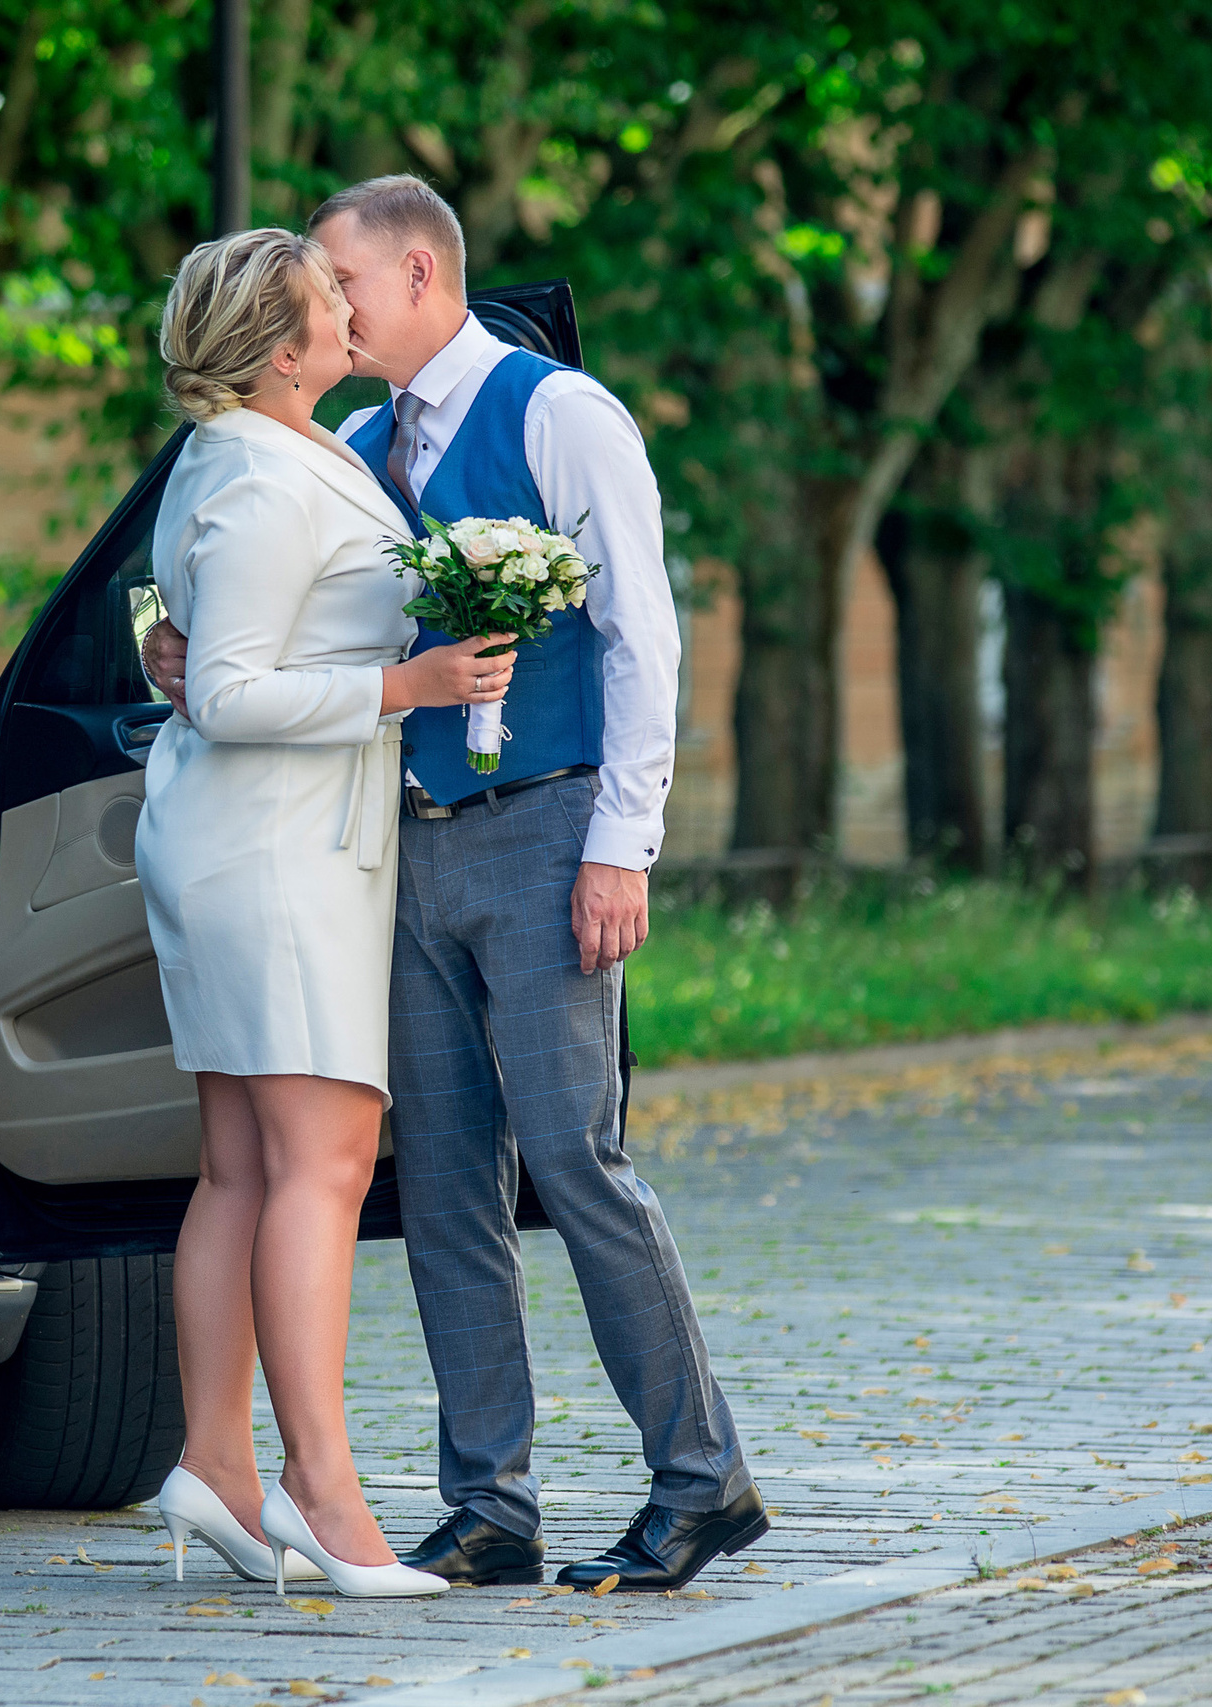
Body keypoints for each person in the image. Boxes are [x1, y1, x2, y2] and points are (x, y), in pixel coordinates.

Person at [142, 177, 767, 1593]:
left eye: (344, 284)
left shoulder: (561, 414)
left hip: (549, 831)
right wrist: (168, 659)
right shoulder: (347, 443)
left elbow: (639, 637)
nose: (331, 307)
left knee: (575, 1159)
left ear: (417, 272)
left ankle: (699, 1475)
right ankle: (489, 1498)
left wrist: (626, 839)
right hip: (395, 848)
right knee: (439, 1189)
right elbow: (266, 615)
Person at [136, 226, 519, 1599]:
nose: (348, 306)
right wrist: (400, 693)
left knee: (245, 1165)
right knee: (323, 1164)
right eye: (323, 299)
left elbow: (206, 648)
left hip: (266, 843)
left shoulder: (269, 452)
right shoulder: (255, 471)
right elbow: (231, 693)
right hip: (275, 850)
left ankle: (220, 1472)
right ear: (283, 351)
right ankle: (322, 1492)